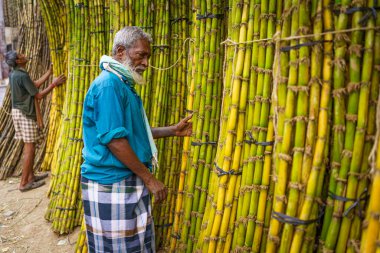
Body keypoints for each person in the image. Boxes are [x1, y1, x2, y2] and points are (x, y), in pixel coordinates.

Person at [81, 26, 192, 252]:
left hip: (126, 178)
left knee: (134, 245)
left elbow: (131, 132)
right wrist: (150, 179)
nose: (146, 63)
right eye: (141, 55)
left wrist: (172, 130)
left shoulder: (122, 84)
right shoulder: (109, 85)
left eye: (148, 56)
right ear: (121, 51)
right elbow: (115, 141)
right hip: (111, 181)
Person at [5, 51, 66, 192]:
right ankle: (24, 183)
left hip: (18, 112)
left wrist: (49, 73)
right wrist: (54, 84)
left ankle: (31, 177)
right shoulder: (22, 75)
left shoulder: (15, 74)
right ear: (19, 61)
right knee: (29, 149)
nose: (24, 55)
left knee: (29, 147)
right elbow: (38, 96)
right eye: (21, 55)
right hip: (25, 113)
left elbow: (34, 85)